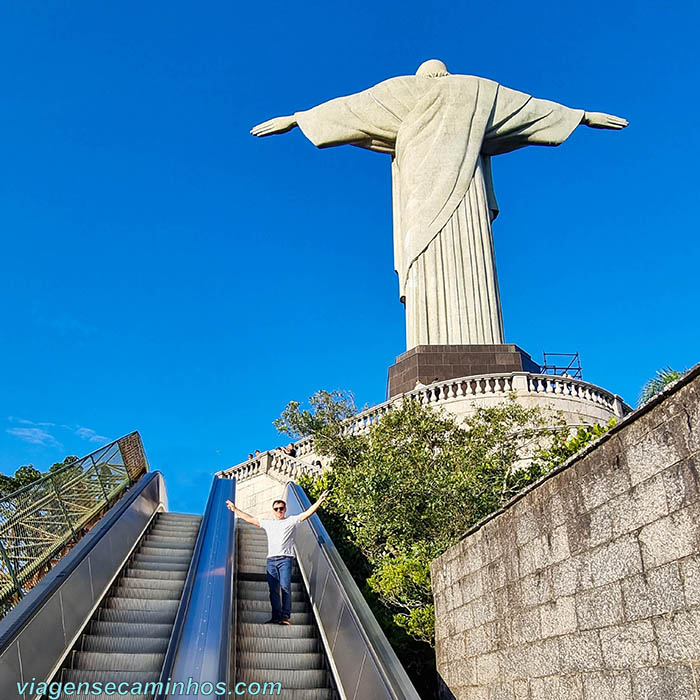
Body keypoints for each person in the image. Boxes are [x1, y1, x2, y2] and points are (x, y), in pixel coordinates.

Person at [251, 59, 627, 350]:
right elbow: (528, 109)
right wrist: (582, 116)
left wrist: (298, 119)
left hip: (426, 198)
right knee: (458, 261)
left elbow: (350, 109)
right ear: (445, 75)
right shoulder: (476, 91)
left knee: (430, 259)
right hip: (462, 194)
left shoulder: (399, 92)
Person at [225, 491, 329, 624]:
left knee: (285, 586)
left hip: (285, 559)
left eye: (281, 508)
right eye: (276, 509)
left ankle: (285, 616)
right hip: (271, 560)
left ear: (285, 509)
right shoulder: (269, 524)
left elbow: (306, 514)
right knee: (273, 590)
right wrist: (235, 509)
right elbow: (251, 519)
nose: (279, 511)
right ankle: (276, 617)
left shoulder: (291, 520)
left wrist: (319, 501)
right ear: (273, 511)